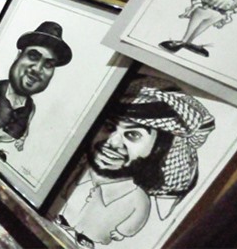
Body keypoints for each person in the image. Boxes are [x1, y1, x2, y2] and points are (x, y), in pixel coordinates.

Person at [55, 76, 214, 247]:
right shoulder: (80, 171)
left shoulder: (137, 198)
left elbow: (132, 222)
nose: (112, 142)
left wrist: (121, 232)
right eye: (109, 127)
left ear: (159, 149)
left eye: (132, 135)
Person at [0, 21, 72, 159]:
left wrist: (22, 138)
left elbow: (27, 123)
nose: (37, 69)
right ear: (18, 56)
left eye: (48, 64)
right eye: (33, 56)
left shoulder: (30, 107)